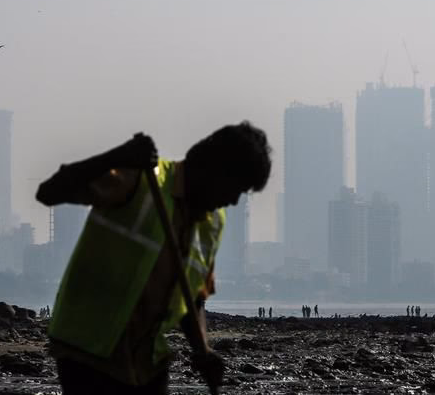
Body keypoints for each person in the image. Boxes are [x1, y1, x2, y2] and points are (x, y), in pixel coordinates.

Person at [36, 122, 272, 394]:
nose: (233, 201)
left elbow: (194, 298)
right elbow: (49, 191)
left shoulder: (213, 223)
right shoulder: (141, 181)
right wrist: (117, 156)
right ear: (213, 170)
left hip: (147, 361)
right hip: (89, 353)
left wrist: (202, 350)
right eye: (236, 189)